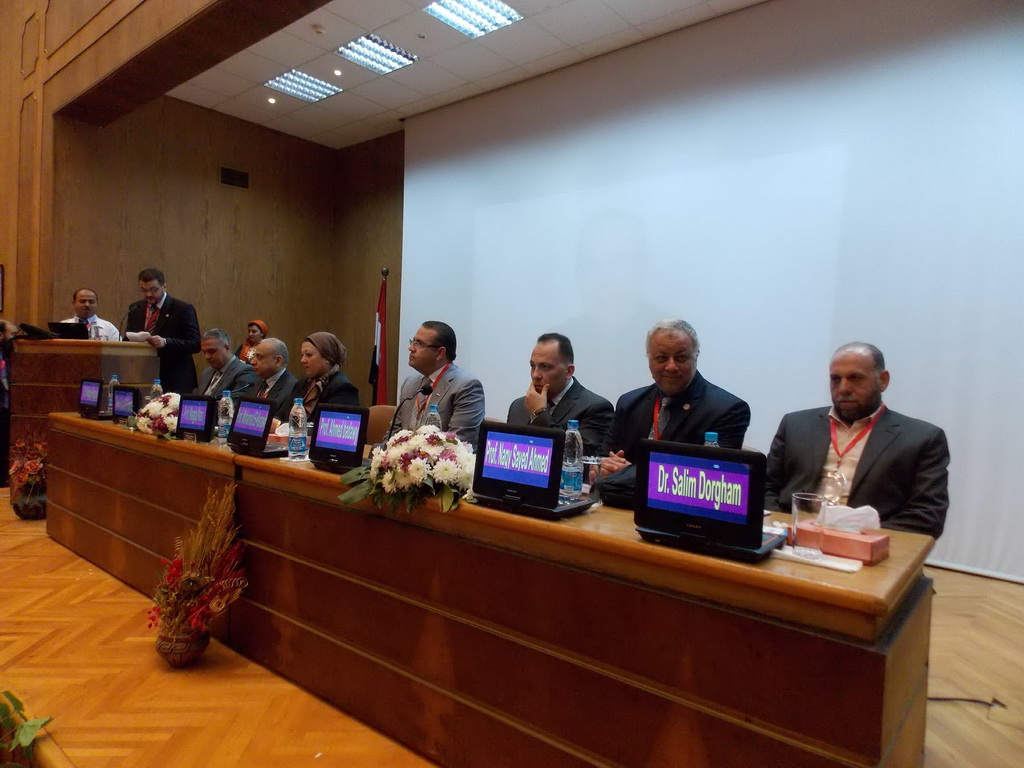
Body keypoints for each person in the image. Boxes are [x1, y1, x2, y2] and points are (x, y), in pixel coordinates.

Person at [764, 342, 950, 539]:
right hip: (791, 538)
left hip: (865, 544)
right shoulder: (795, 425)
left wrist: (855, 536)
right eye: (836, 379)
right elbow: (765, 488)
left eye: (855, 378)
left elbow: (927, 517)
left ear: (883, 380)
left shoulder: (921, 438)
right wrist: (786, 528)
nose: (843, 388)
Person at [601, 319, 750, 477]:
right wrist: (601, 468)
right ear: (649, 359)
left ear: (696, 357)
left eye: (681, 358)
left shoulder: (728, 410)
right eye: (661, 358)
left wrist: (629, 475)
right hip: (616, 492)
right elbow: (603, 457)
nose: (671, 366)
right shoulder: (629, 403)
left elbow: (713, 477)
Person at [506, 332, 613, 456]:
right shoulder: (518, 406)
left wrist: (539, 414)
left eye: (545, 367)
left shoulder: (596, 408)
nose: (535, 375)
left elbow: (578, 457)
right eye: (532, 366)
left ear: (568, 371)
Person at [389, 321, 485, 448]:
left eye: (419, 344)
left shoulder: (467, 387)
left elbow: (457, 444)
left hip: (439, 459)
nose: (411, 348)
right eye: (413, 341)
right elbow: (393, 435)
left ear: (440, 353)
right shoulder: (409, 383)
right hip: (404, 458)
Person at [125, 268, 201, 394]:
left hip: (174, 379)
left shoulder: (182, 309)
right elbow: (127, 337)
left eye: (153, 289)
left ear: (164, 287)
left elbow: (195, 344)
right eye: (144, 290)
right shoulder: (136, 308)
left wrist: (166, 342)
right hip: (143, 375)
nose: (148, 294)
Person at [273, 332, 359, 422]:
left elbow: (328, 427)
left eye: (308, 355)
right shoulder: (304, 382)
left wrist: (281, 425)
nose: (302, 360)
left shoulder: (343, 389)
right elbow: (281, 415)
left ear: (328, 358)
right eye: (302, 355)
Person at [194, 329, 259, 402]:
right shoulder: (206, 372)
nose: (207, 357)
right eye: (204, 352)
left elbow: (234, 404)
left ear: (227, 348)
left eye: (211, 351)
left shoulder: (245, 371)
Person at [249, 337, 297, 416]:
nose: (252, 362)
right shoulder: (256, 382)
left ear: (278, 361)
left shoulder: (293, 389)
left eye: (260, 357)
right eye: (254, 356)